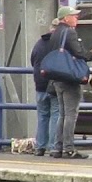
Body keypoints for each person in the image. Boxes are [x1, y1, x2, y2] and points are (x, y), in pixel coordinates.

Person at [51, 5, 92, 159]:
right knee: (71, 114)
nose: (77, 18)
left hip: (57, 77)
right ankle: (69, 148)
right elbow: (79, 53)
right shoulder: (69, 32)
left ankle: (57, 148)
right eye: (74, 16)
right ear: (65, 18)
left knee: (62, 114)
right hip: (70, 78)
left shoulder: (55, 33)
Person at [29, 19, 62, 157]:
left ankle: (40, 147)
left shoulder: (39, 43)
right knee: (55, 114)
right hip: (53, 85)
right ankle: (53, 146)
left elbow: (33, 61)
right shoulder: (58, 44)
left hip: (39, 85)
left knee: (42, 116)